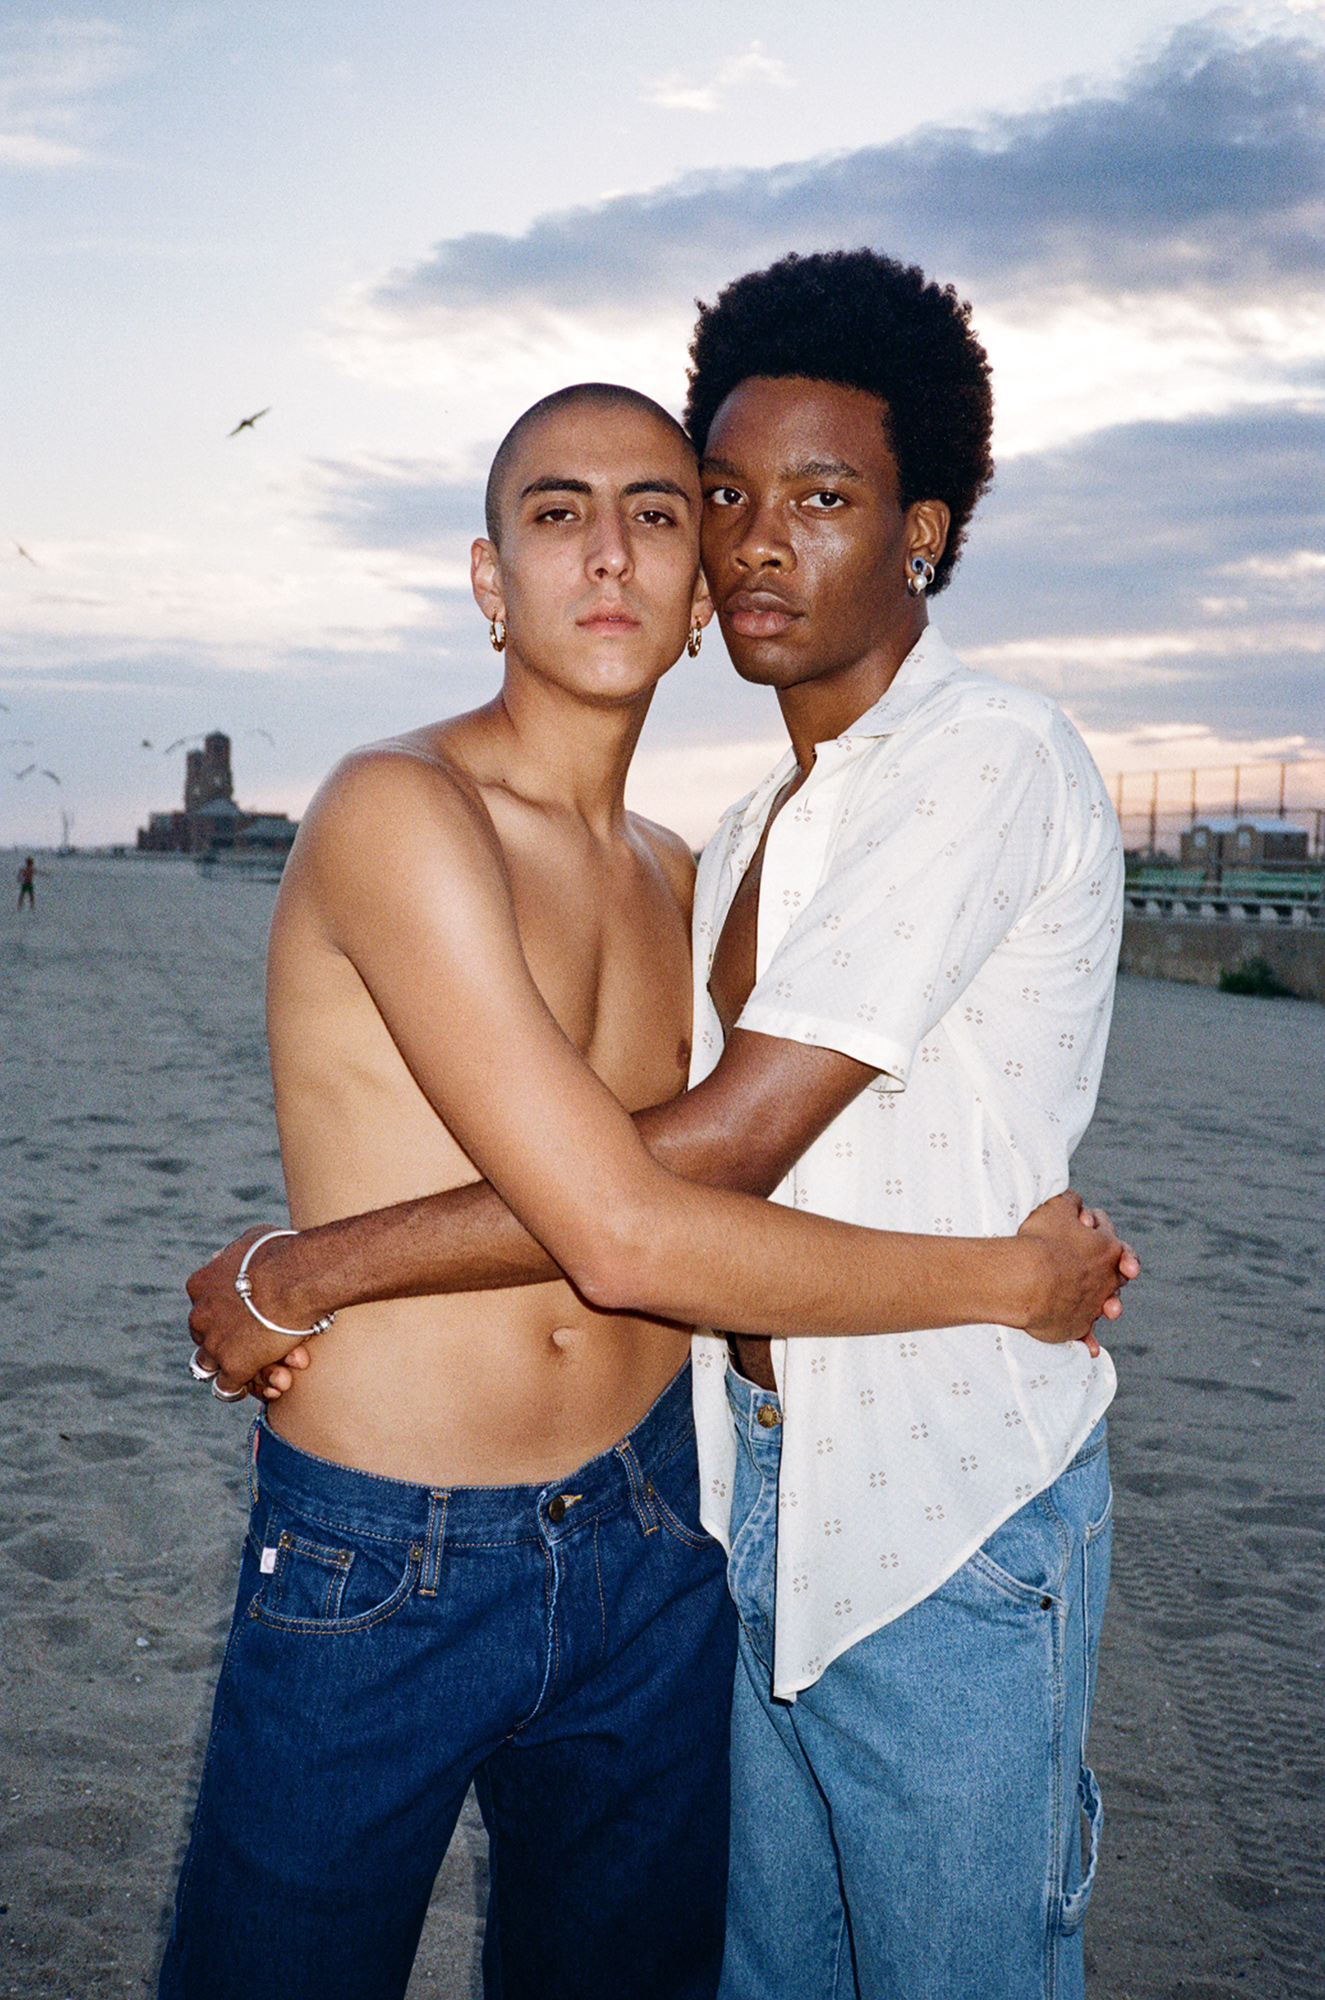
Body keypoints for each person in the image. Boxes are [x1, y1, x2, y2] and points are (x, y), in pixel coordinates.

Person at [180, 340, 1131, 1997]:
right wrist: (1002, 1278)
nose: (612, 552)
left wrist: (307, 1264)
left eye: (651, 515)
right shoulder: (403, 810)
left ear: (695, 594)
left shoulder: (689, 863)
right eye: (559, 517)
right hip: (387, 1547)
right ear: (492, 577)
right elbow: (623, 1228)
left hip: (651, 1532)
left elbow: (709, 1178)